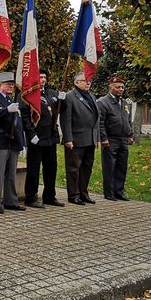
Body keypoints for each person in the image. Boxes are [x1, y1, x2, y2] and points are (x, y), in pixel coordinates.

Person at [21, 69, 65, 208]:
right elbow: (25, 117)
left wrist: (63, 101)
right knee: (34, 170)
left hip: (50, 137)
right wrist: (31, 134)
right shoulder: (29, 94)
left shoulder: (51, 93)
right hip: (37, 138)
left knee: (51, 169)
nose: (43, 79)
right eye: (40, 77)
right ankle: (30, 198)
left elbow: (60, 111)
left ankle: (49, 196)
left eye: (45, 77)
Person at [0, 72, 26, 214]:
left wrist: (22, 141)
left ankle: (11, 201)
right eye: (8, 84)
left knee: (11, 174)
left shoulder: (11, 100)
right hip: (1, 141)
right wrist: (6, 110)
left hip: (13, 142)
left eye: (12, 84)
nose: (11, 86)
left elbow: (18, 123)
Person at [60, 71, 100, 205]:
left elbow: (96, 119)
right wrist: (68, 138)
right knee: (74, 168)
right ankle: (73, 194)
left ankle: (84, 193)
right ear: (76, 83)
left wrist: (97, 138)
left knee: (86, 168)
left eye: (89, 80)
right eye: (85, 80)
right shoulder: (70, 97)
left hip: (90, 139)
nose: (88, 82)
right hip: (76, 138)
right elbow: (66, 119)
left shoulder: (92, 97)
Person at [97, 77, 133, 201]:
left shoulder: (124, 102)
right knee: (109, 167)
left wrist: (130, 135)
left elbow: (128, 120)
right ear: (110, 87)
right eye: (118, 87)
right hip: (110, 139)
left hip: (123, 139)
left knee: (122, 166)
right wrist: (103, 138)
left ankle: (120, 191)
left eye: (122, 87)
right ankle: (109, 192)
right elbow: (100, 122)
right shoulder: (103, 102)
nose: (121, 89)